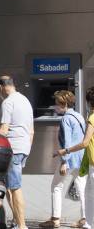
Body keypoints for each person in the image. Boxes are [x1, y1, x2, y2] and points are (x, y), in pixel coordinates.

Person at [41, 90, 87, 228]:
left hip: (69, 159)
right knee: (82, 189)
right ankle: (84, 219)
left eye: (57, 103)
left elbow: (67, 141)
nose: (55, 106)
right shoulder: (79, 116)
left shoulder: (66, 119)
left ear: (64, 104)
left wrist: (64, 162)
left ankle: (55, 219)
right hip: (81, 158)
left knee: (56, 186)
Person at [0, 75, 34, 229]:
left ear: (1, 87)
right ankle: (16, 220)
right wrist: (27, 149)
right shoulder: (25, 101)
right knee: (6, 185)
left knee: (15, 187)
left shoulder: (8, 102)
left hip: (12, 149)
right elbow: (32, 131)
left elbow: (4, 130)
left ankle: (22, 226)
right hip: (24, 147)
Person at [56, 87, 94, 229]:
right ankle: (87, 222)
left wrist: (65, 153)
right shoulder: (80, 116)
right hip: (86, 160)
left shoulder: (90, 118)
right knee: (86, 192)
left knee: (89, 195)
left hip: (86, 161)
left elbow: (83, 142)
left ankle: (56, 218)